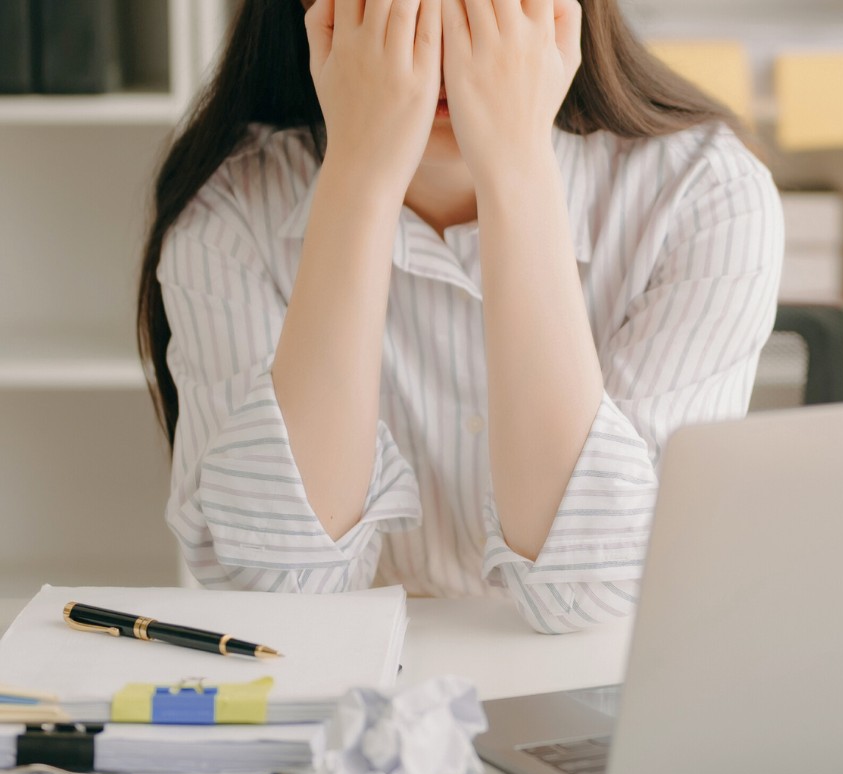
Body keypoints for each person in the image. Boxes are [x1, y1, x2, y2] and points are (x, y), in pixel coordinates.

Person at [137, 0, 784, 634]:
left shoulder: (706, 193)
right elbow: (278, 588)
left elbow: (587, 591)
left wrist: (515, 163)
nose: (442, 33)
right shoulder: (228, 211)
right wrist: (360, 173)